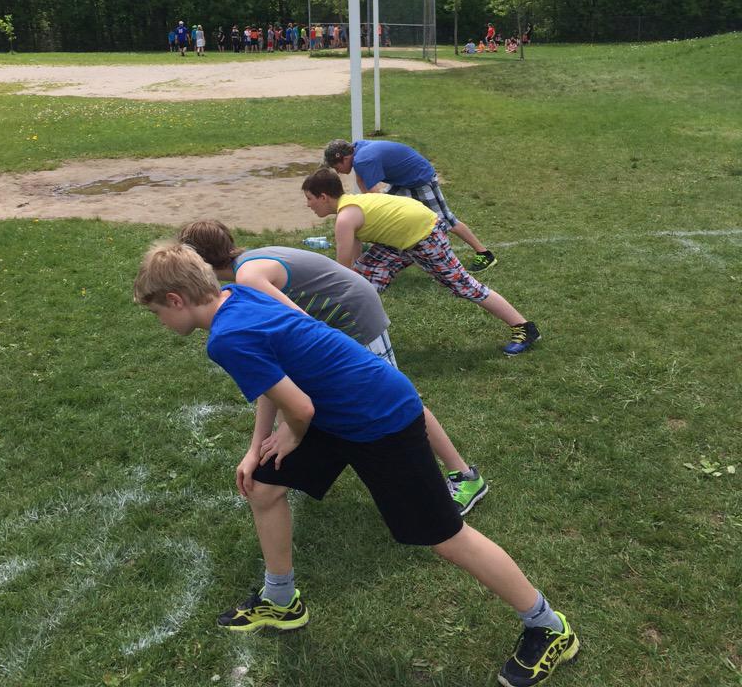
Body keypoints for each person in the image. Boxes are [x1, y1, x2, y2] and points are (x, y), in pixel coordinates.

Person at [134, 243, 579, 685]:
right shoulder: (239, 295)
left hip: (380, 418)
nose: (161, 322)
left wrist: (294, 429)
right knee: (264, 486)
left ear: (176, 300)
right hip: (335, 409)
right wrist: (257, 449)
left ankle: (548, 626)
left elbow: (300, 409)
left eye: (157, 313)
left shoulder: (227, 337)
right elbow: (278, 382)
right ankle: (281, 599)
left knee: (446, 537)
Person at [177, 219, 488, 515]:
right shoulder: (247, 265)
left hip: (354, 316)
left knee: (395, 399)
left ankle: (464, 475)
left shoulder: (247, 280)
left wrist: (289, 427)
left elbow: (302, 324)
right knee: (385, 396)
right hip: (347, 311)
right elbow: (278, 361)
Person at [303, 168, 541, 356]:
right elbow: (353, 263)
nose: (308, 205)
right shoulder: (351, 205)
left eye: (310, 199)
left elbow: (342, 271)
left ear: (324, 197)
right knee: (363, 281)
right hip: (399, 240)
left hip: (423, 235)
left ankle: (524, 328)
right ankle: (343, 338)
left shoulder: (345, 218)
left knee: (463, 285)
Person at [323, 138, 496, 274]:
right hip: (403, 181)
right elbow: (362, 181)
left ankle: (484, 254)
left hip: (420, 179)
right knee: (380, 216)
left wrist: (370, 215)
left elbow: (375, 196)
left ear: (345, 158)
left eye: (336, 166)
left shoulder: (363, 159)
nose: (337, 171)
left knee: (446, 220)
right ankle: (372, 258)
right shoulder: (357, 150)